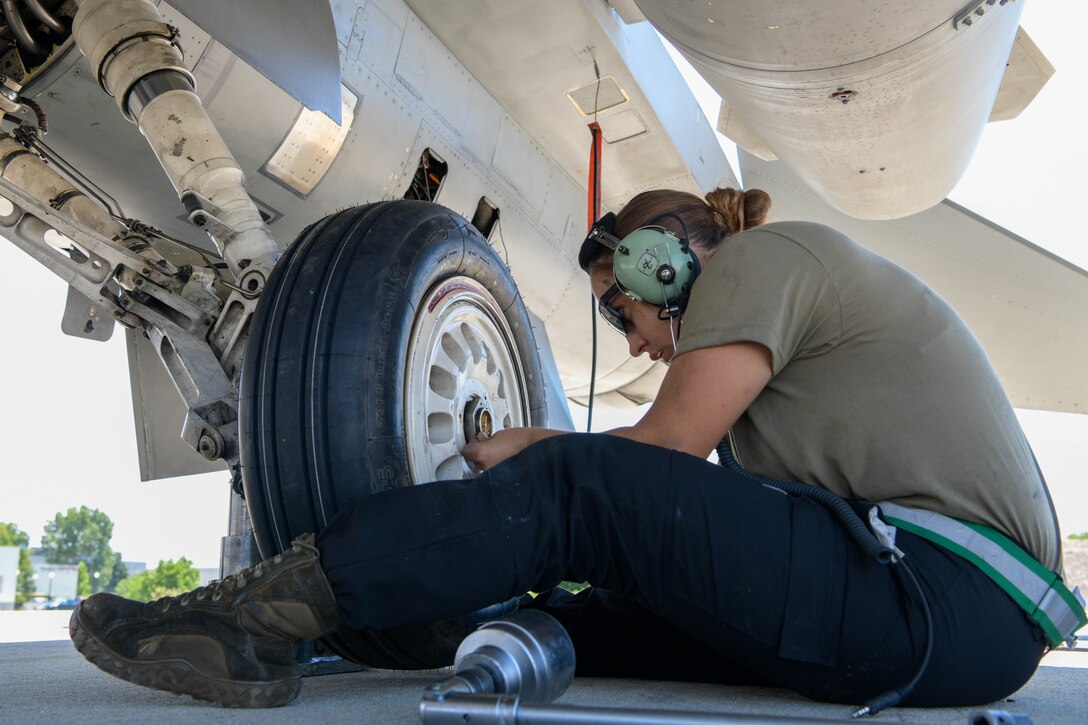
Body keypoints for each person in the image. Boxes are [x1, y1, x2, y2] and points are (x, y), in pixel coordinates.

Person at [69, 188, 1084, 712]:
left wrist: (532, 451)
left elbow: (655, 455)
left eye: (622, 307)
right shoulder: (777, 370)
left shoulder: (766, 260)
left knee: (579, 486)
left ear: (662, 262)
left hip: (940, 598)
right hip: (948, 631)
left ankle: (259, 614)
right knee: (594, 623)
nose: (632, 338)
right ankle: (350, 620)